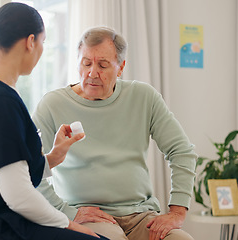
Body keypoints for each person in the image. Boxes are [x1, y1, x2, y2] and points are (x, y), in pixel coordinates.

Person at [0, 3, 109, 240]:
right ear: (31, 42)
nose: (41, 50)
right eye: (43, 41)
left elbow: (7, 170)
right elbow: (18, 195)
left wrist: (52, 158)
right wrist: (68, 224)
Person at [32, 26, 197, 240]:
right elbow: (29, 165)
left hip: (141, 215)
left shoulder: (143, 97)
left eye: (103, 65)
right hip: (86, 215)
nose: (92, 73)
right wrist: (65, 211)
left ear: (121, 68)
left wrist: (177, 212)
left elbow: (182, 151)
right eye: (86, 63)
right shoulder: (52, 104)